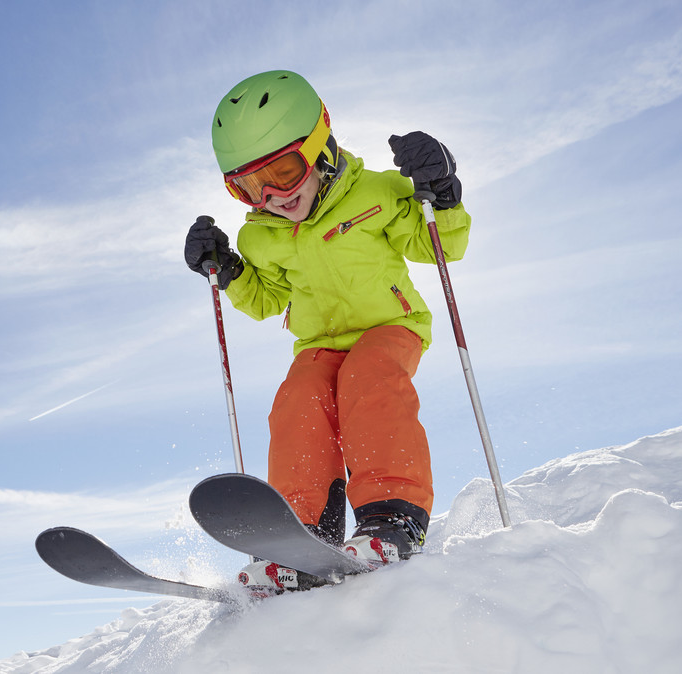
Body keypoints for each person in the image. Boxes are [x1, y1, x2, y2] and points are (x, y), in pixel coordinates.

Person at [184, 70, 472, 592]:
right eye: (249, 186)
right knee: (298, 399)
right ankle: (300, 534)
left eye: (285, 171)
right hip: (319, 342)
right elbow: (268, 299)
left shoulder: (378, 192)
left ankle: (392, 517)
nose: (273, 194)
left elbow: (439, 247)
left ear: (320, 145)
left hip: (389, 326)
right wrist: (229, 270)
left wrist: (442, 195)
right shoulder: (261, 236)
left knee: (368, 378)